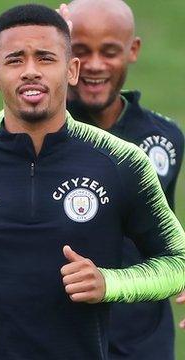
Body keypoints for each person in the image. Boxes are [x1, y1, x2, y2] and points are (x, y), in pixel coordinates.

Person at [0, 4, 185, 360]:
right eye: (15, 60)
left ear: (71, 70)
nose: (31, 72)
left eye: (46, 58)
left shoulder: (122, 162)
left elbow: (177, 261)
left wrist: (109, 283)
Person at [61, 1, 185, 359]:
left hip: (145, 341)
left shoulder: (165, 137)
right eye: (81, 51)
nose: (96, 65)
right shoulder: (43, 129)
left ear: (133, 50)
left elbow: (165, 229)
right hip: (63, 336)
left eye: (110, 51)